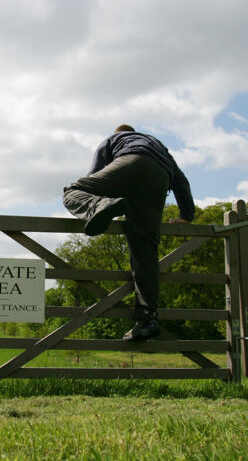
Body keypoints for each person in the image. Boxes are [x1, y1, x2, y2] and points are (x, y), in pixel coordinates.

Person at [62, 124, 195, 341]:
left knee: (73, 192)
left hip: (130, 163)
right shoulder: (160, 147)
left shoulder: (113, 139)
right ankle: (147, 320)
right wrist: (186, 217)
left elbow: (96, 174)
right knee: (145, 252)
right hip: (159, 176)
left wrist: (97, 201)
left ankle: (99, 206)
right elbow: (181, 182)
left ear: (119, 133)